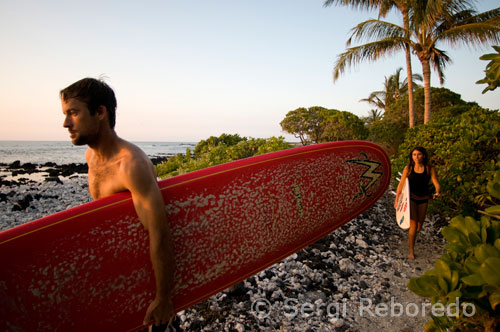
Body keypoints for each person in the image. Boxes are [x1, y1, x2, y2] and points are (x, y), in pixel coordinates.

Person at [60, 78, 176, 330]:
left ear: (100, 112)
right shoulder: (90, 155)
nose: (66, 123)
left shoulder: (131, 164)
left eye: (74, 113)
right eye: (65, 114)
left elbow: (159, 234)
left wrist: (163, 298)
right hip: (119, 271)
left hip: (145, 276)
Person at [394, 147, 441, 260]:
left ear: (423, 155)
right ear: (412, 156)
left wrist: (438, 191)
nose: (416, 157)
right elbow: (401, 185)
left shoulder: (429, 168)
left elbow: (436, 182)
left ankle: (412, 238)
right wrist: (397, 199)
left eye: (418, 154)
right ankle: (411, 251)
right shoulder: (408, 168)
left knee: (419, 226)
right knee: (413, 225)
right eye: (414, 155)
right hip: (411, 199)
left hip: (424, 198)